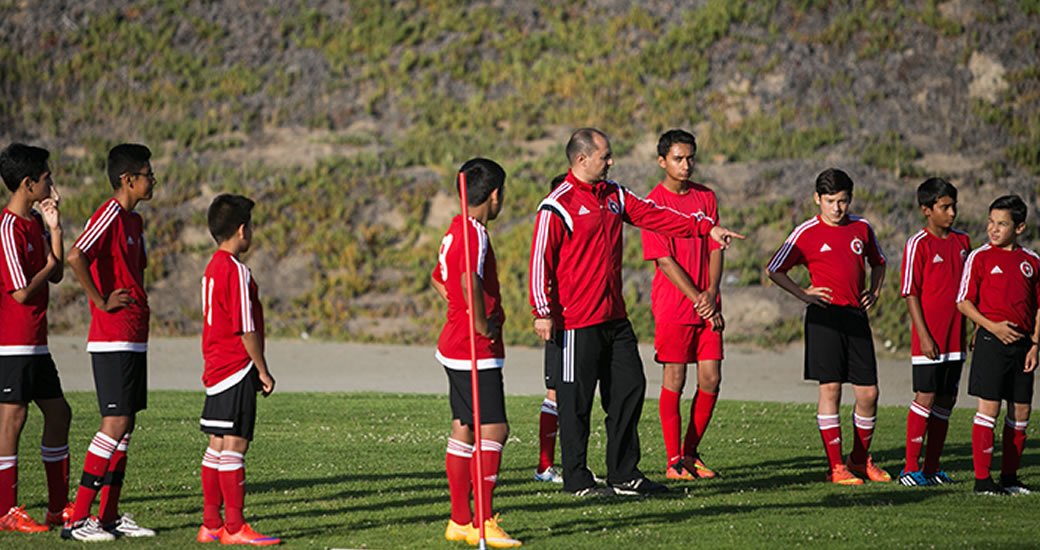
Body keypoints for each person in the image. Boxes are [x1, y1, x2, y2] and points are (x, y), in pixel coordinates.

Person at [529, 128, 742, 497]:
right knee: (575, 403)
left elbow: (655, 216)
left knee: (631, 389)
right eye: (604, 156)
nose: (611, 162)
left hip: (614, 317)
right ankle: (577, 480)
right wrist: (542, 310)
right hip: (576, 323)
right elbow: (539, 262)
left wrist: (704, 229)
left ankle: (624, 475)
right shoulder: (556, 204)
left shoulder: (614, 196)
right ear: (581, 160)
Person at [766, 168, 890, 485]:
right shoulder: (805, 232)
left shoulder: (862, 228)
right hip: (824, 317)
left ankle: (859, 461)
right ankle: (836, 467)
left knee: (869, 393)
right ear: (817, 199)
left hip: (855, 317)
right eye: (831, 201)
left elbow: (879, 262)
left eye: (843, 201)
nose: (837, 208)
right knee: (831, 389)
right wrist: (803, 294)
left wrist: (874, 291)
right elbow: (774, 269)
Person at [63, 144, 157, 541]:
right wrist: (100, 301)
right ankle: (77, 520)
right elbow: (75, 255)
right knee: (114, 422)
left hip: (134, 335)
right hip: (113, 336)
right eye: (148, 174)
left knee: (126, 425)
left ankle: (108, 517)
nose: (153, 180)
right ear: (128, 180)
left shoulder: (133, 221)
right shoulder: (110, 213)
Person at [432, 158, 520, 548]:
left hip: (454, 345)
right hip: (473, 348)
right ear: (495, 195)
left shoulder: (455, 230)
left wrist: (460, 310)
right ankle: (482, 522)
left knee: (463, 427)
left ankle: (459, 520)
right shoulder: (475, 235)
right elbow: (467, 282)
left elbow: (439, 279)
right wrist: (483, 324)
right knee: (495, 429)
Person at [641, 130, 724, 480]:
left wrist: (711, 291)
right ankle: (673, 461)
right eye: (678, 158)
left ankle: (690, 454)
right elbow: (663, 260)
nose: (686, 164)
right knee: (674, 378)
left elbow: (717, 245)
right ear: (662, 161)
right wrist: (697, 297)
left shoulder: (706, 197)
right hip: (675, 305)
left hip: (709, 303)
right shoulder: (651, 204)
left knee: (711, 378)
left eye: (690, 158)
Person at [197, 194, 279, 545]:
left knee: (217, 445)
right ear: (242, 230)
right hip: (236, 366)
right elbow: (246, 328)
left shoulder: (211, 268)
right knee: (235, 445)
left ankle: (210, 524)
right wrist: (262, 370)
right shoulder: (237, 271)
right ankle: (234, 527)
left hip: (215, 366)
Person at [0, 144, 72, 532]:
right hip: (10, 344)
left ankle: (58, 507)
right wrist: (47, 264)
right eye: (47, 178)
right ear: (28, 184)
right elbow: (21, 292)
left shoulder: (33, 224)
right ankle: (5, 510)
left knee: (60, 413)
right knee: (12, 419)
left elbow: (56, 275)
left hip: (36, 343)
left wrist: (55, 229)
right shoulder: (8, 228)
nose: (51, 183)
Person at [955, 194, 1039, 496]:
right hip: (991, 341)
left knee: (1021, 412)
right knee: (987, 410)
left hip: (1022, 347)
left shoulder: (1032, 262)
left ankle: (1010, 478)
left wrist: (1035, 345)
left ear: (1019, 227)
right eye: (991, 222)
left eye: (1001, 224)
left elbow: (1039, 306)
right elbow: (963, 302)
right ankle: (982, 481)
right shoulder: (980, 257)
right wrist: (992, 327)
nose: (993, 229)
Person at [898, 178, 970, 486]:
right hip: (929, 339)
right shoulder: (919, 244)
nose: (952, 213)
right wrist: (924, 335)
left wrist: (976, 326)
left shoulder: (963, 242)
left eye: (953, 206)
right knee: (925, 396)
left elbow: (970, 289)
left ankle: (931, 468)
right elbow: (910, 293)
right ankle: (909, 468)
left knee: (947, 399)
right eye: (945, 207)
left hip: (956, 338)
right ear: (927, 210)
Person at [534, 174, 568, 484]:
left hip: (586, 320)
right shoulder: (552, 229)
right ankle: (545, 466)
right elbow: (539, 272)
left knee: (573, 392)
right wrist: (543, 312)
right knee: (556, 392)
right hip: (562, 321)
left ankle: (570, 465)